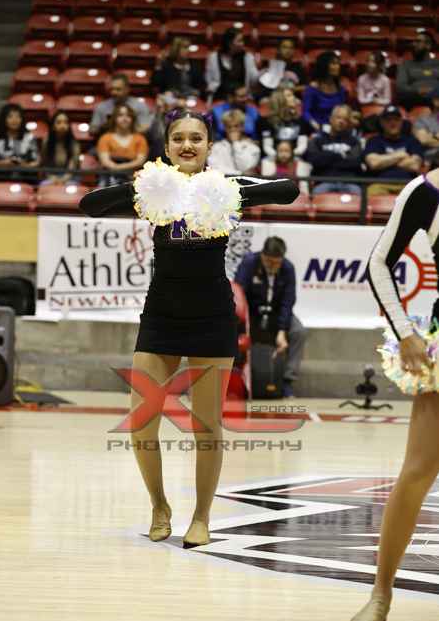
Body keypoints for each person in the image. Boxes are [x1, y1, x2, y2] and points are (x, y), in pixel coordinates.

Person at [79, 110, 299, 549]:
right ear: (165, 148)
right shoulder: (152, 190)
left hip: (212, 316)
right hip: (161, 314)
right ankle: (159, 505)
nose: (187, 145)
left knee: (207, 426)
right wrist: (143, 186)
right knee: (141, 422)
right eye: (178, 138)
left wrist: (229, 187)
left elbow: (288, 190)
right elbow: (91, 204)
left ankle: (201, 517)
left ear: (209, 146)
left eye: (196, 138)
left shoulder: (226, 189)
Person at [350, 168, 439, 621]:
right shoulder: (426, 191)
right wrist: (405, 331)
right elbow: (379, 262)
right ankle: (381, 592)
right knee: (418, 472)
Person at [234, 237, 306, 398]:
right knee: (231, 328)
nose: (272, 266)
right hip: (252, 313)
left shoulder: (288, 268)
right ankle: (236, 377)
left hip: (276, 313)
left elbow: (288, 302)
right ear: (262, 255)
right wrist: (243, 323)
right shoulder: (249, 263)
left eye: (276, 263)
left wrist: (282, 330)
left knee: (299, 332)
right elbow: (239, 294)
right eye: (268, 261)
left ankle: (287, 382)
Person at [364, 105, 423, 198]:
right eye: (388, 120)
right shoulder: (374, 141)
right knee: (369, 195)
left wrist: (384, 161)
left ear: (401, 122)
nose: (392, 123)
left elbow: (414, 165)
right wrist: (401, 155)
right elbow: (374, 163)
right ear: (382, 122)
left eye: (396, 119)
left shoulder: (412, 141)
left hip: (406, 185)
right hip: (379, 185)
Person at [304, 105, 362, 195]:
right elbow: (313, 159)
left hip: (349, 183)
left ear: (348, 123)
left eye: (345, 119)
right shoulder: (318, 140)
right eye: (338, 117)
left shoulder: (354, 141)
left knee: (359, 195)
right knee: (317, 195)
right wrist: (340, 156)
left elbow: (355, 162)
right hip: (324, 182)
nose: (341, 121)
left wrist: (326, 156)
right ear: (331, 119)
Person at [97, 103, 149, 186]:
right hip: (110, 175)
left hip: (133, 176)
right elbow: (105, 161)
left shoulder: (140, 139)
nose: (124, 118)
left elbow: (140, 161)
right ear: (114, 118)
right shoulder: (105, 138)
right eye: (120, 115)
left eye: (128, 116)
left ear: (132, 119)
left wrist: (118, 167)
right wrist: (115, 168)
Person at [89, 73, 153, 139]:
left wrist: (123, 129)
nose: (114, 92)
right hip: (108, 141)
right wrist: (104, 127)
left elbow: (145, 128)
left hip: (133, 142)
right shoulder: (101, 107)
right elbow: (92, 130)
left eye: (118, 89)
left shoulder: (139, 106)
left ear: (127, 89)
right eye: (111, 89)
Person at [205, 27, 259, 101]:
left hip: (242, 97)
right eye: (239, 41)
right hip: (220, 96)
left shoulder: (248, 57)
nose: (242, 44)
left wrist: (263, 75)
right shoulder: (213, 57)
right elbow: (209, 80)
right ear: (229, 43)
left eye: (242, 40)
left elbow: (254, 79)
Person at [258, 88, 312, 161]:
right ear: (279, 99)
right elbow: (267, 147)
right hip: (273, 158)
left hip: (295, 158)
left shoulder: (301, 120)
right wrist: (280, 157)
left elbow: (302, 145)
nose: (293, 98)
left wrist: (290, 156)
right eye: (289, 95)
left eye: (292, 95)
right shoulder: (266, 121)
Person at [0, 103, 39, 171]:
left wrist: (23, 165)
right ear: (3, 119)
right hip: (0, 174)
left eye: (18, 116)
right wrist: (4, 163)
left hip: (24, 174)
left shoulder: (29, 137)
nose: (14, 120)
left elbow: (36, 162)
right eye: (10, 116)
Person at [302, 51, 347, 132]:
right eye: (333, 64)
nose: (337, 66)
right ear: (324, 66)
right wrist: (315, 125)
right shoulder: (312, 88)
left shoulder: (340, 88)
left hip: (336, 128)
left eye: (338, 64)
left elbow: (342, 109)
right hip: (317, 127)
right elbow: (306, 112)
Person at [207, 109, 261, 175]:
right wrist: (239, 173)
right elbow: (214, 168)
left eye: (236, 126)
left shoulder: (253, 148)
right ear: (224, 127)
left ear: (242, 127)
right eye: (229, 127)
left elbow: (245, 167)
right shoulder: (216, 147)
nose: (232, 129)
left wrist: (235, 143)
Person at [396, 31, 439, 110]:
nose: (414, 44)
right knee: (404, 96)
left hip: (436, 96)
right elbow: (401, 86)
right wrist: (420, 90)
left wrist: (434, 92)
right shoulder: (405, 65)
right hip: (414, 99)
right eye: (414, 42)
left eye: (418, 41)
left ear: (428, 45)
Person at [40, 110, 80, 185]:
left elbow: (72, 167)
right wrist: (52, 178)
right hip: (51, 176)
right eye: (59, 122)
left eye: (65, 122)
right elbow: (45, 164)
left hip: (70, 177)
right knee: (44, 185)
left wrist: (63, 180)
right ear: (53, 126)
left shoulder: (74, 144)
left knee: (72, 186)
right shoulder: (46, 142)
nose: (63, 125)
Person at [145, 91, 187, 162]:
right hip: (158, 154)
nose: (166, 101)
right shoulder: (158, 115)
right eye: (164, 98)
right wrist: (159, 109)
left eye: (169, 98)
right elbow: (148, 131)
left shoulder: (182, 114)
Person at [412, 86, 439, 164]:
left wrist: (434, 136)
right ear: (435, 101)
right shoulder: (422, 120)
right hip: (432, 161)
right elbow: (423, 140)